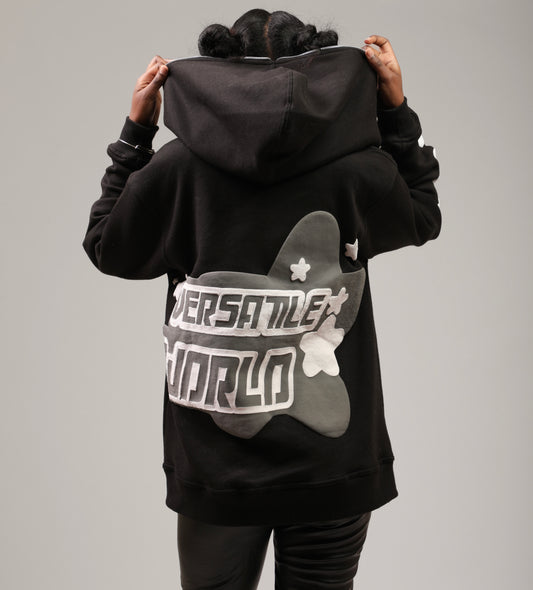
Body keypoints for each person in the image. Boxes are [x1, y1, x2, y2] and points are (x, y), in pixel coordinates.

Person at [82, 8, 441, 589]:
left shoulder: (178, 169)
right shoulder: (357, 169)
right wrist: (398, 111)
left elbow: (106, 246)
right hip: (333, 458)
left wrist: (135, 135)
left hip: (217, 465)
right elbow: (423, 213)